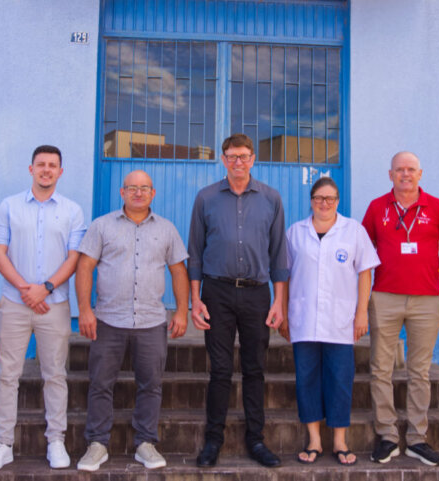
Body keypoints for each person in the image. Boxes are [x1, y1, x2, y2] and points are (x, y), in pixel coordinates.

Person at [74, 170, 190, 471]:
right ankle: (97, 444)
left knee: (150, 384)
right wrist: (85, 310)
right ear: (122, 192)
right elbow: (84, 267)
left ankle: (145, 443)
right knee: (100, 383)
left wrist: (181, 311)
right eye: (132, 188)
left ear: (153, 194)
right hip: (109, 320)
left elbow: (179, 271)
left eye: (144, 188)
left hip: (151, 321)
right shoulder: (101, 226)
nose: (138, 193)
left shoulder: (166, 229)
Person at [0, 145, 86, 471]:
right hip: (14, 303)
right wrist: (27, 289)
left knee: (55, 374)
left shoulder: (72, 211)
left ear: (60, 172)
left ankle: (56, 440)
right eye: (41, 164)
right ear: (31, 169)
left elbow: (74, 258)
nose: (46, 170)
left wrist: (46, 288)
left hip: (53, 305)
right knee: (7, 375)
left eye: (52, 165)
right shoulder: (9, 206)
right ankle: (3, 443)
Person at [188, 133, 287, 468]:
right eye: (231, 156)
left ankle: (256, 440)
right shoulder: (206, 198)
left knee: (255, 369)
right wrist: (194, 300)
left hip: (257, 294)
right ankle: (213, 440)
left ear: (253, 159)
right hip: (217, 293)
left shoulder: (271, 198)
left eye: (244, 156)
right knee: (219, 370)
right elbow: (195, 254)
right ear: (223, 159)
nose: (238, 162)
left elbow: (279, 255)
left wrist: (279, 301)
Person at [361, 151, 439, 466]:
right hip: (384, 296)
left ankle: (417, 438)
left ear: (420, 173)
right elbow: (363, 253)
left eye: (411, 169)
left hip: (426, 300)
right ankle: (387, 435)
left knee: (420, 371)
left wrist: (431, 273)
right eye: (399, 170)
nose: (405, 174)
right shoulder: (377, 208)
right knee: (380, 368)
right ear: (390, 174)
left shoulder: (437, 207)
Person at [279, 177, 379, 466]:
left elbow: (365, 273)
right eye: (319, 198)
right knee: (306, 379)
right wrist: (283, 311)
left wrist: (362, 312)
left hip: (341, 320)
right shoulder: (295, 233)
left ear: (338, 201)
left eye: (331, 198)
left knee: (340, 380)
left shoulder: (354, 231)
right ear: (311, 200)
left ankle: (339, 441)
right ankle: (313, 439)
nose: (325, 203)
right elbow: (283, 275)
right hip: (303, 318)